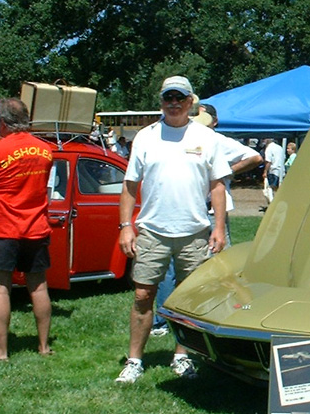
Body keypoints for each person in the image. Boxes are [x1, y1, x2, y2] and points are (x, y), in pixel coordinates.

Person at [116, 76, 232, 383]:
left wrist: (219, 228)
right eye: (169, 97)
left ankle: (183, 356)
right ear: (161, 101)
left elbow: (217, 186)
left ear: (190, 102)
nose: (174, 103)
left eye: (180, 98)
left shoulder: (207, 137)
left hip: (195, 232)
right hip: (152, 231)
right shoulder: (146, 137)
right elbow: (130, 185)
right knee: (143, 295)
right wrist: (126, 227)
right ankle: (134, 361)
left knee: (187, 299)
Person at [150, 102, 260, 337]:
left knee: (219, 267)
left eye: (203, 117)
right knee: (171, 269)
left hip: (211, 213)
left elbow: (254, 157)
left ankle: (221, 314)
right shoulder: (175, 138)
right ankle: (165, 320)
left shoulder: (216, 140)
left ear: (214, 122)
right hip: (182, 213)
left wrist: (226, 172)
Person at [0, 98, 54, 361]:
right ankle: (44, 347)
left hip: (4, 227)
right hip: (36, 226)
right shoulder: (45, 150)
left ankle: (1, 352)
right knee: (39, 288)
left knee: (0, 289)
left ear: (2, 122)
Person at [262, 138, 286, 204]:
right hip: (282, 170)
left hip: (273, 170)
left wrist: (265, 171)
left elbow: (268, 161)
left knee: (270, 188)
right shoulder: (280, 147)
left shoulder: (269, 148)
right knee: (279, 188)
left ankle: (272, 203)